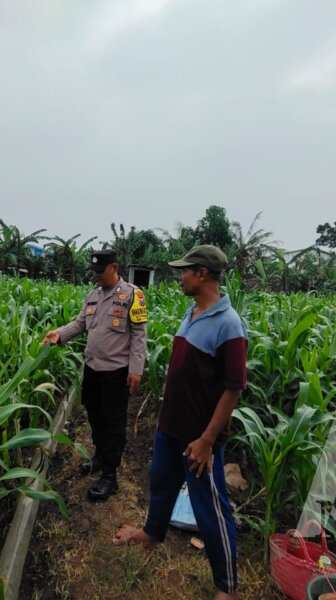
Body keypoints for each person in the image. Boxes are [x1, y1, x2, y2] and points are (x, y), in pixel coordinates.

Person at [112, 244, 247, 600]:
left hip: (198, 437)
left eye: (184, 271)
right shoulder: (193, 311)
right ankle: (152, 534)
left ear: (202, 274)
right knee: (161, 481)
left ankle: (227, 587)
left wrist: (206, 440)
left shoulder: (230, 324)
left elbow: (234, 388)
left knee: (210, 507)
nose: (179, 277)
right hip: (171, 425)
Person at [43, 249, 148, 501]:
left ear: (114, 267)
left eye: (100, 272)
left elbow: (139, 334)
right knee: (95, 416)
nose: (96, 277)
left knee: (113, 423)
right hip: (92, 370)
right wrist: (59, 334)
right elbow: (80, 324)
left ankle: (110, 476)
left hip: (116, 373)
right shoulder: (93, 296)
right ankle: (100, 457)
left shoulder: (133, 295)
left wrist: (136, 369)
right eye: (94, 273)